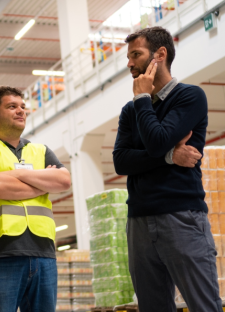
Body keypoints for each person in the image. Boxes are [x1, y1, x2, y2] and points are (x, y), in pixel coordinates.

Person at [113, 26, 221, 311]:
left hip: (181, 216)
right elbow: (121, 161)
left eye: (136, 55)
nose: (129, 63)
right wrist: (169, 158)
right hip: (138, 221)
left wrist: (142, 99)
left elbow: (157, 141)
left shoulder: (190, 97)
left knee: (204, 305)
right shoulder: (129, 111)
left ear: (159, 55)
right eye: (129, 56)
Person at [0, 86, 72, 312]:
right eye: (12, 107)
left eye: (22, 107)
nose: (21, 111)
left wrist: (17, 174)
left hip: (44, 253)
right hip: (1, 252)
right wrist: (41, 181)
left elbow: (64, 181)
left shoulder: (41, 149)